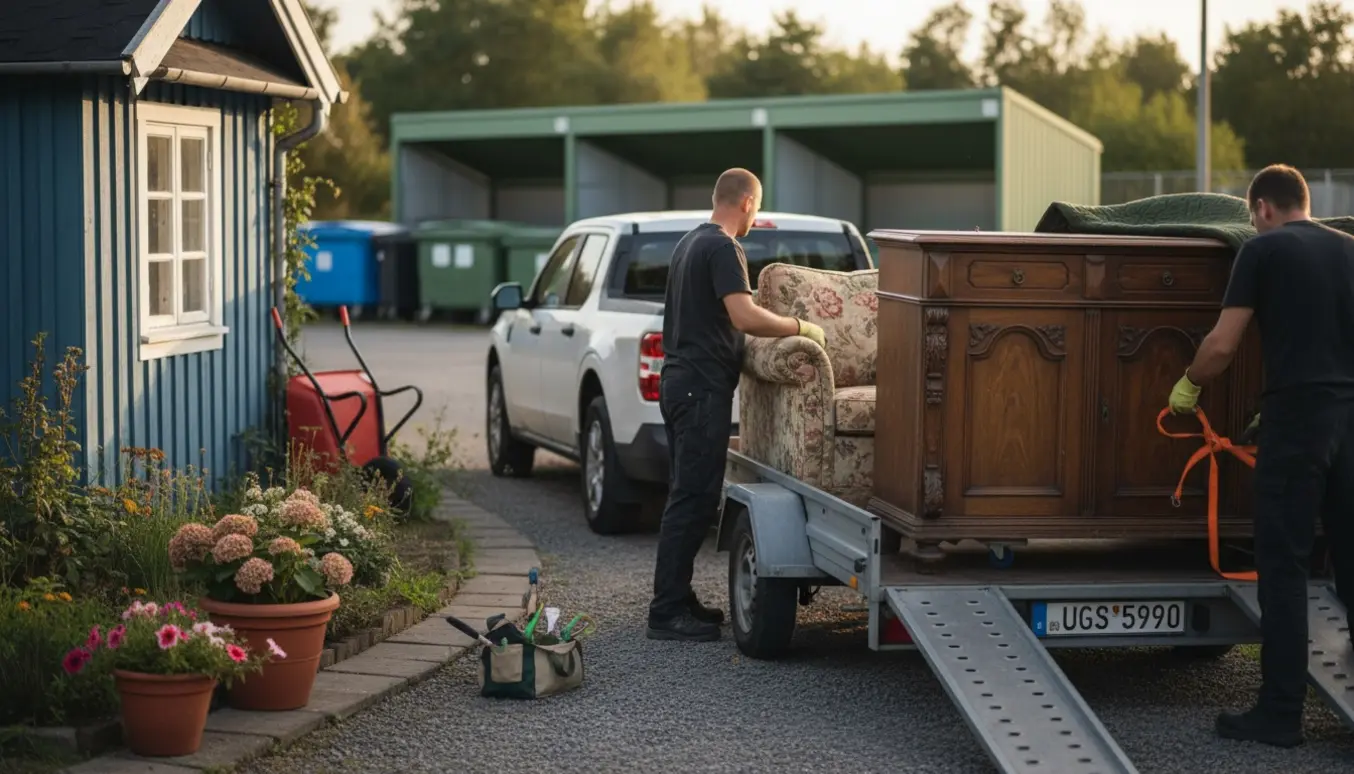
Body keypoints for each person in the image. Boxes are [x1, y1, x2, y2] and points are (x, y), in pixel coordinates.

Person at [1168, 164, 1354, 748]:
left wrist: (1190, 385)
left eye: (1253, 215)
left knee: (1284, 567)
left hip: (1298, 419)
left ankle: (1279, 715)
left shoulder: (1262, 249)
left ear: (1263, 208)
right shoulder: (1350, 249)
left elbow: (1223, 343)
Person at [646, 168, 827, 643]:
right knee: (693, 497)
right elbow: (742, 314)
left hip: (681, 382)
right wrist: (799, 328)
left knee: (689, 494)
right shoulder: (724, 248)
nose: (756, 216)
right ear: (747, 202)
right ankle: (666, 612)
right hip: (699, 389)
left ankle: (677, 598)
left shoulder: (690, 242)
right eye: (758, 207)